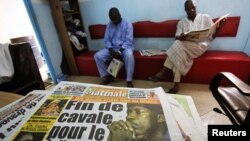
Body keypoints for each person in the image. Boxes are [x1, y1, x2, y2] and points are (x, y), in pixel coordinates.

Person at [148, 0, 227, 93]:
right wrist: (181, 37)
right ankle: (176, 85)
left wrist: (220, 27)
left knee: (178, 46)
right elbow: (176, 38)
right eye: (189, 9)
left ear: (195, 7)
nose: (191, 10)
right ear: (185, 10)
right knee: (179, 50)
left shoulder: (205, 18)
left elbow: (212, 36)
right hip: (185, 47)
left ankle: (162, 73)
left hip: (200, 46)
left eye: (193, 8)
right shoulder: (181, 22)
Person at [94, 7, 135, 88]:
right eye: (113, 21)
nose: (115, 23)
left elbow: (128, 40)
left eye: (117, 21)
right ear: (110, 19)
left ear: (120, 15)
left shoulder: (128, 24)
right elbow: (106, 39)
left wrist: (119, 52)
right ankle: (108, 77)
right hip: (112, 48)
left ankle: (129, 80)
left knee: (129, 55)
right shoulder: (109, 24)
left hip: (125, 48)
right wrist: (110, 50)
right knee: (97, 56)